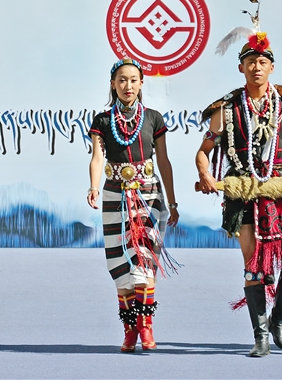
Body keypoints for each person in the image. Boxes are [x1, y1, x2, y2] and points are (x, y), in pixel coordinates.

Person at [196, 0, 282, 357]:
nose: (256, 67)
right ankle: (260, 336)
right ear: (240, 68)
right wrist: (205, 174)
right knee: (253, 268)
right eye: (250, 62)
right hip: (244, 194)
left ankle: (277, 320)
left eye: (262, 62)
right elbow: (204, 150)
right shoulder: (226, 108)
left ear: (272, 67)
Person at [87, 58, 180, 353]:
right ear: (113, 84)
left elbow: (163, 161)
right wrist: (93, 186)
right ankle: (129, 330)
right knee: (119, 265)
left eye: (133, 80)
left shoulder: (153, 118)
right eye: (122, 80)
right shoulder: (102, 121)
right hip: (114, 195)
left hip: (148, 195)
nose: (128, 85)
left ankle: (145, 325)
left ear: (141, 83)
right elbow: (97, 158)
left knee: (144, 262)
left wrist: (173, 201)